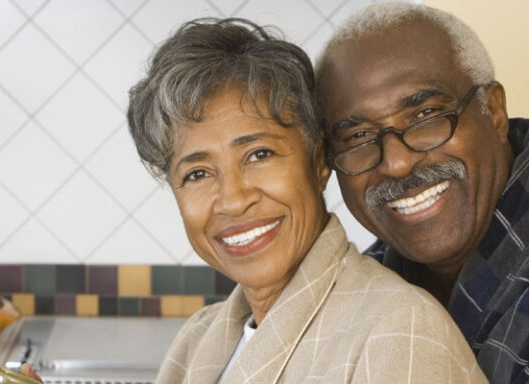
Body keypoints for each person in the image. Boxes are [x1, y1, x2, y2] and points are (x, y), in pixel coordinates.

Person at [127, 17, 485, 383]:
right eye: (197, 174)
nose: (233, 201)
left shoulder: (400, 331)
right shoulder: (197, 339)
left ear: (318, 163)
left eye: (259, 154)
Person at [315, 3, 529, 382]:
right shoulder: (361, 291)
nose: (396, 163)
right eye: (358, 136)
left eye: (425, 115)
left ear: (493, 111)